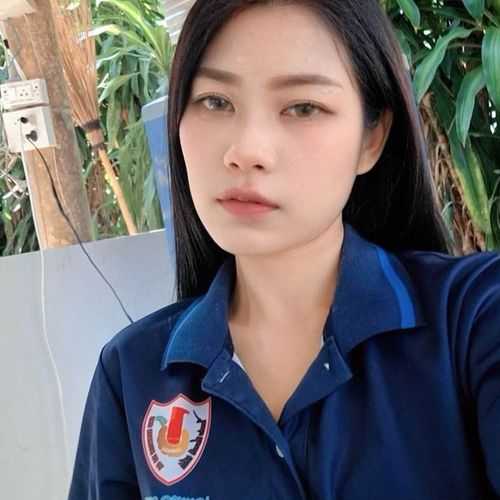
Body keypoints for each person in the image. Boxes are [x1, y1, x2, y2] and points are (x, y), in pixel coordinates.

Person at [68, 1, 500, 499]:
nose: (246, 151)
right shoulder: (132, 374)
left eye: (303, 107)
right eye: (215, 101)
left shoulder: (473, 320)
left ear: (372, 137)